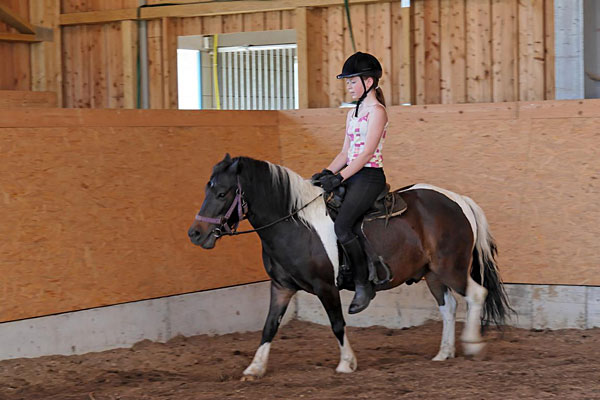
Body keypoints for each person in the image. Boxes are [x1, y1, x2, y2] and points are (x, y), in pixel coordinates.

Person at [312, 52, 388, 314]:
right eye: (347, 82)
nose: (349, 86)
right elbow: (345, 152)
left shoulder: (377, 112)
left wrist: (339, 178)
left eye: (352, 81)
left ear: (369, 81)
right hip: (351, 173)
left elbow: (366, 154)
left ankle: (363, 284)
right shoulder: (353, 113)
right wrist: (325, 173)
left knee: (343, 226)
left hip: (369, 176)